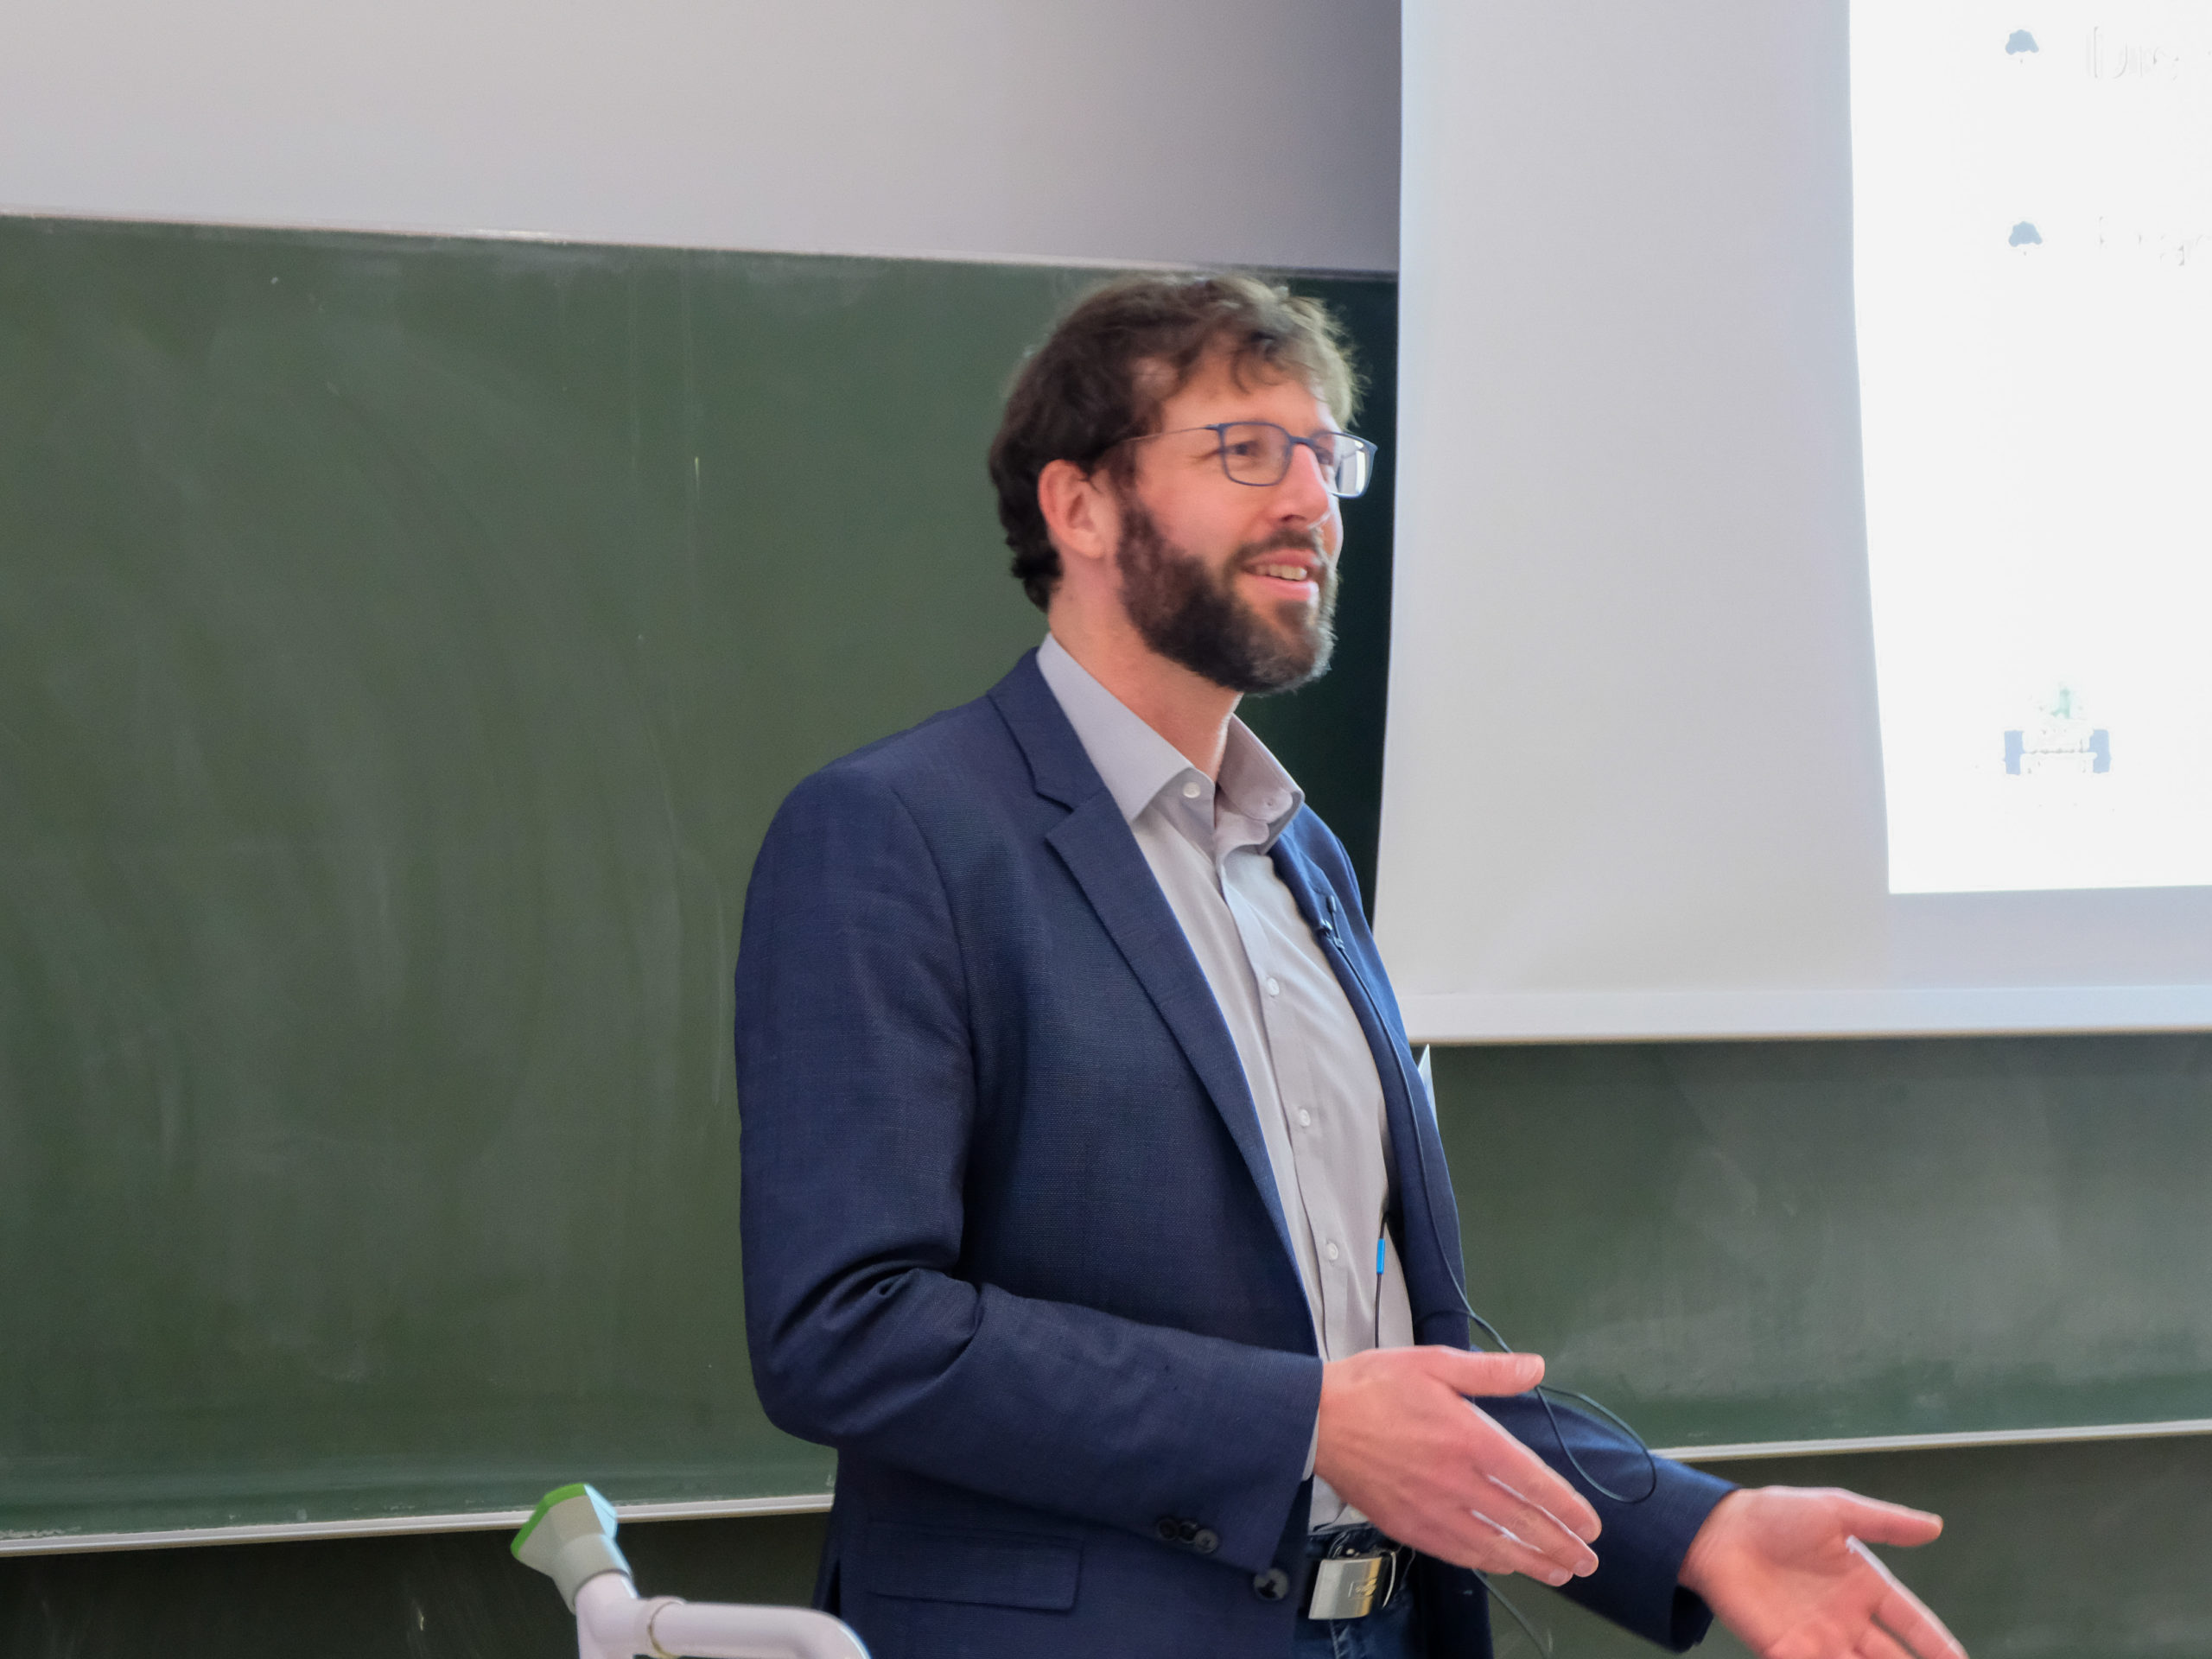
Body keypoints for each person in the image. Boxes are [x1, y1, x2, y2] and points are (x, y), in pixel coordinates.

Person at [734, 276, 1968, 1659]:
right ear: (1078, 506)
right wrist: (1304, 1424)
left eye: (1328, 459)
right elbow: (848, 1330)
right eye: (1246, 450)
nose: (1311, 502)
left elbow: (1382, 1372)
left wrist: (1690, 1530)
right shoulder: (896, 834)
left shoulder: (1302, 858)